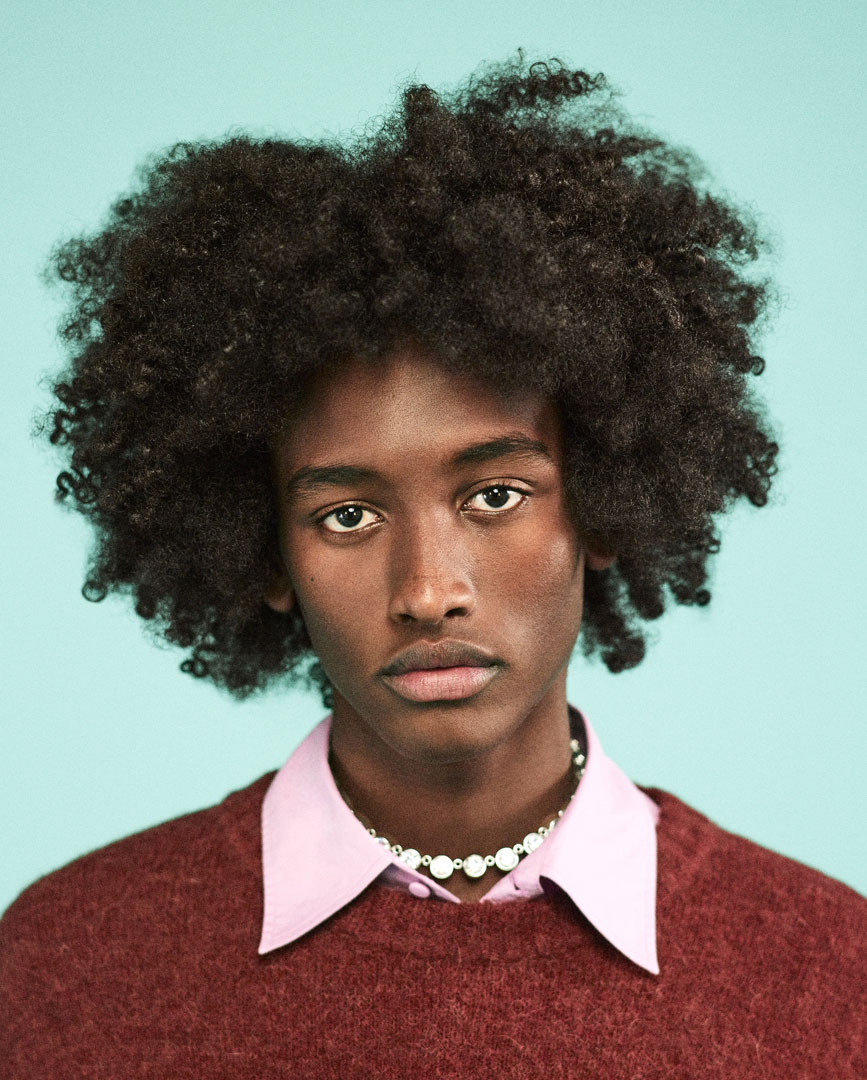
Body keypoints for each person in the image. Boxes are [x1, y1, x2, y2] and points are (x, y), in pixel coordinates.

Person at [2, 52, 864, 1078]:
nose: (426, 592)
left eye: (495, 495)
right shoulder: (65, 963)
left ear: (602, 502)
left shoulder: (830, 971)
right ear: (265, 550)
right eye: (348, 515)